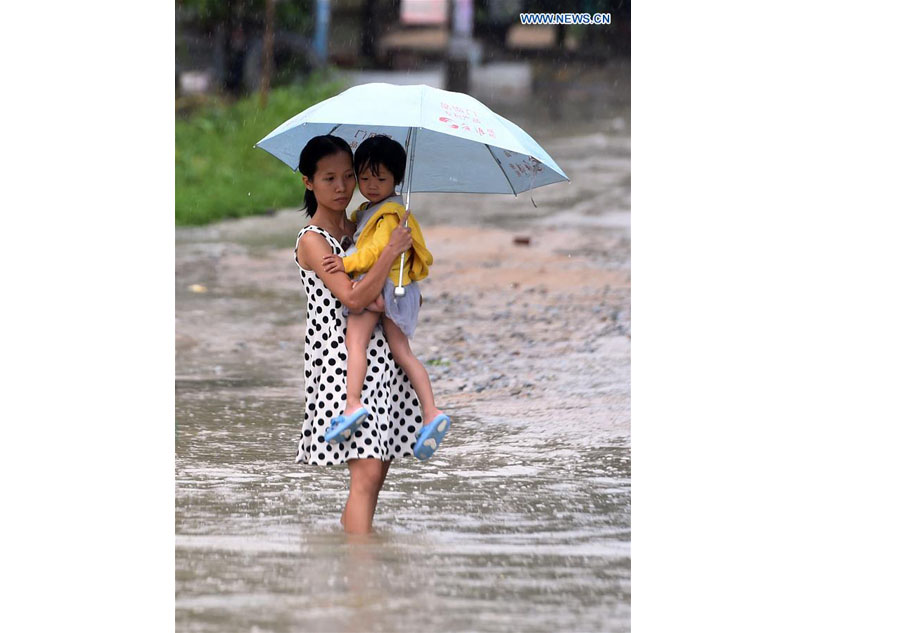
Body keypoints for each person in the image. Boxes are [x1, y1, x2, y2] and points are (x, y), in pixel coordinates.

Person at [293, 134, 416, 534]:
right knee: (364, 475)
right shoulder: (313, 242)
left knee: (376, 475)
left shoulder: (366, 223)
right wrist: (389, 254)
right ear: (308, 182)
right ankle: (362, 588)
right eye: (329, 178)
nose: (342, 187)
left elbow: (391, 286)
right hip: (340, 360)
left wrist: (399, 254)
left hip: (382, 358)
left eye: (349, 175)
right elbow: (355, 296)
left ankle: (355, 560)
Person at [322, 135, 451, 462]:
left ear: (397, 179)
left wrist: (345, 263)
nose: (371, 185)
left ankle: (352, 404)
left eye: (380, 178)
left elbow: (375, 250)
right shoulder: (371, 210)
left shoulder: (390, 215)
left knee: (356, 341)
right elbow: (364, 235)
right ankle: (431, 412)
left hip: (381, 287)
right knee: (403, 352)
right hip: (398, 288)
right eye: (364, 178)